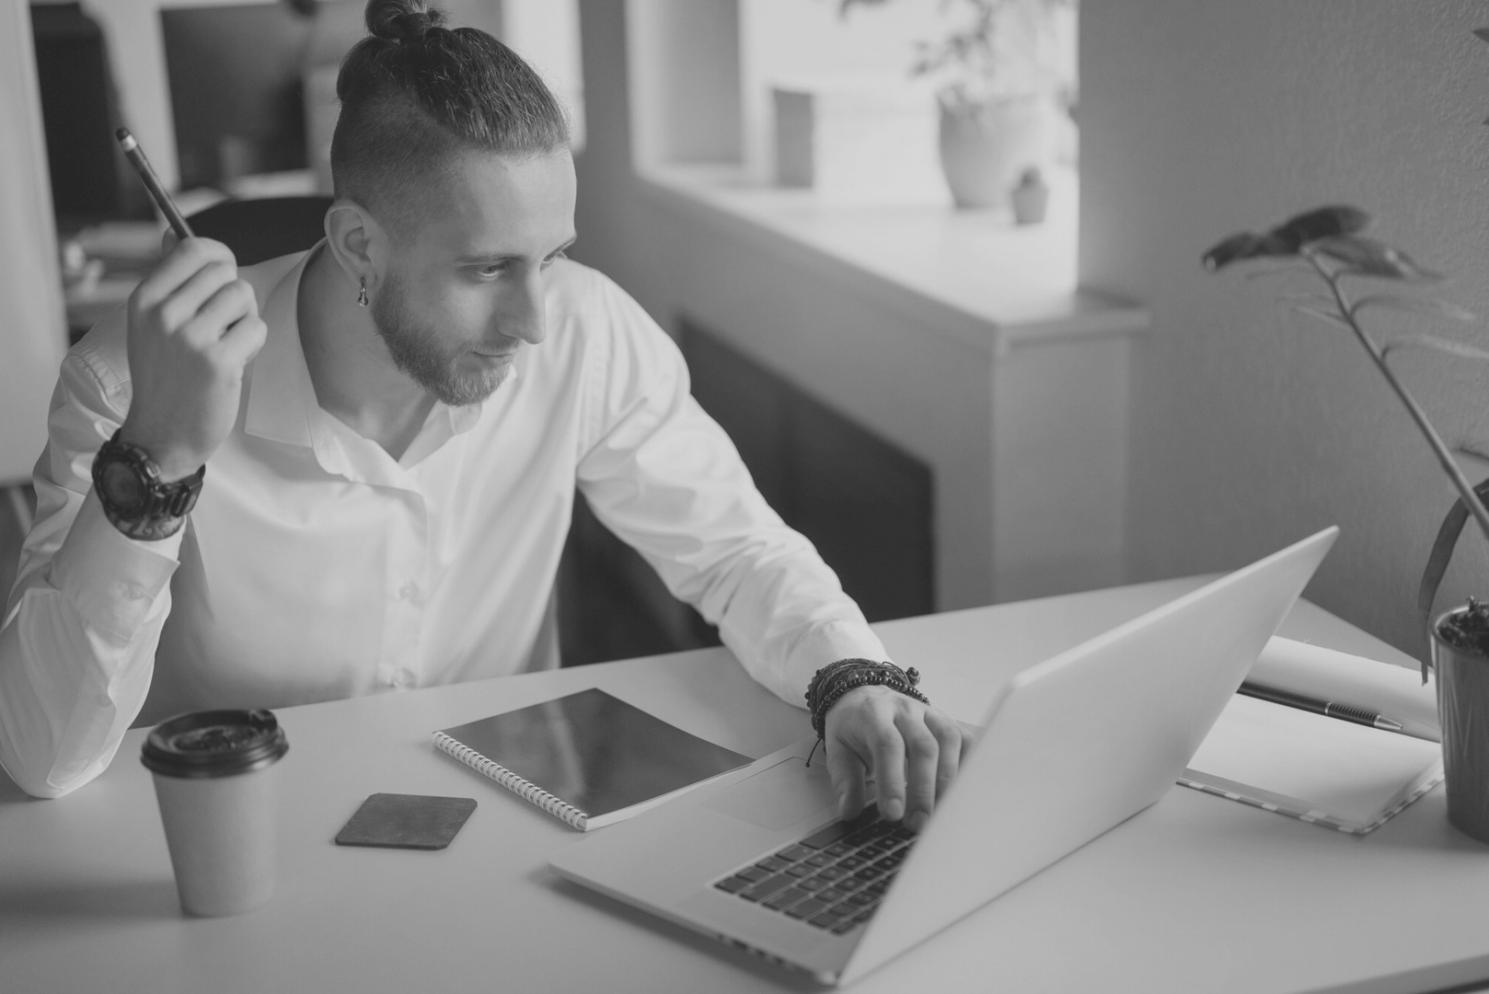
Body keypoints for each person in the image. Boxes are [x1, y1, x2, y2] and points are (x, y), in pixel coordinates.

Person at [0, 0, 968, 827]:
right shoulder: (128, 384)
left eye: (550, 256)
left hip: (503, 822)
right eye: (487, 268)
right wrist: (158, 461)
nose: (535, 320)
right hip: (229, 841)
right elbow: (43, 758)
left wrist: (849, 673)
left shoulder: (582, 326)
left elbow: (735, 551)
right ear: (357, 244)